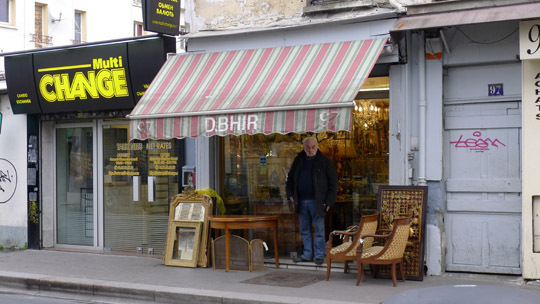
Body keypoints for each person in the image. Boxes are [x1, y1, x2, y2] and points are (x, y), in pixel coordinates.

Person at [286, 136, 337, 265]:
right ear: (304, 148)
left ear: (317, 146)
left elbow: (333, 183)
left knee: (319, 231)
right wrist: (290, 194)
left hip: (317, 201)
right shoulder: (298, 160)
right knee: (304, 230)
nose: (310, 149)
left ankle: (319, 256)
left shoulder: (324, 161)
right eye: (308, 147)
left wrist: (330, 201)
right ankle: (307, 254)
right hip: (301, 201)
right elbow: (290, 180)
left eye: (313, 147)